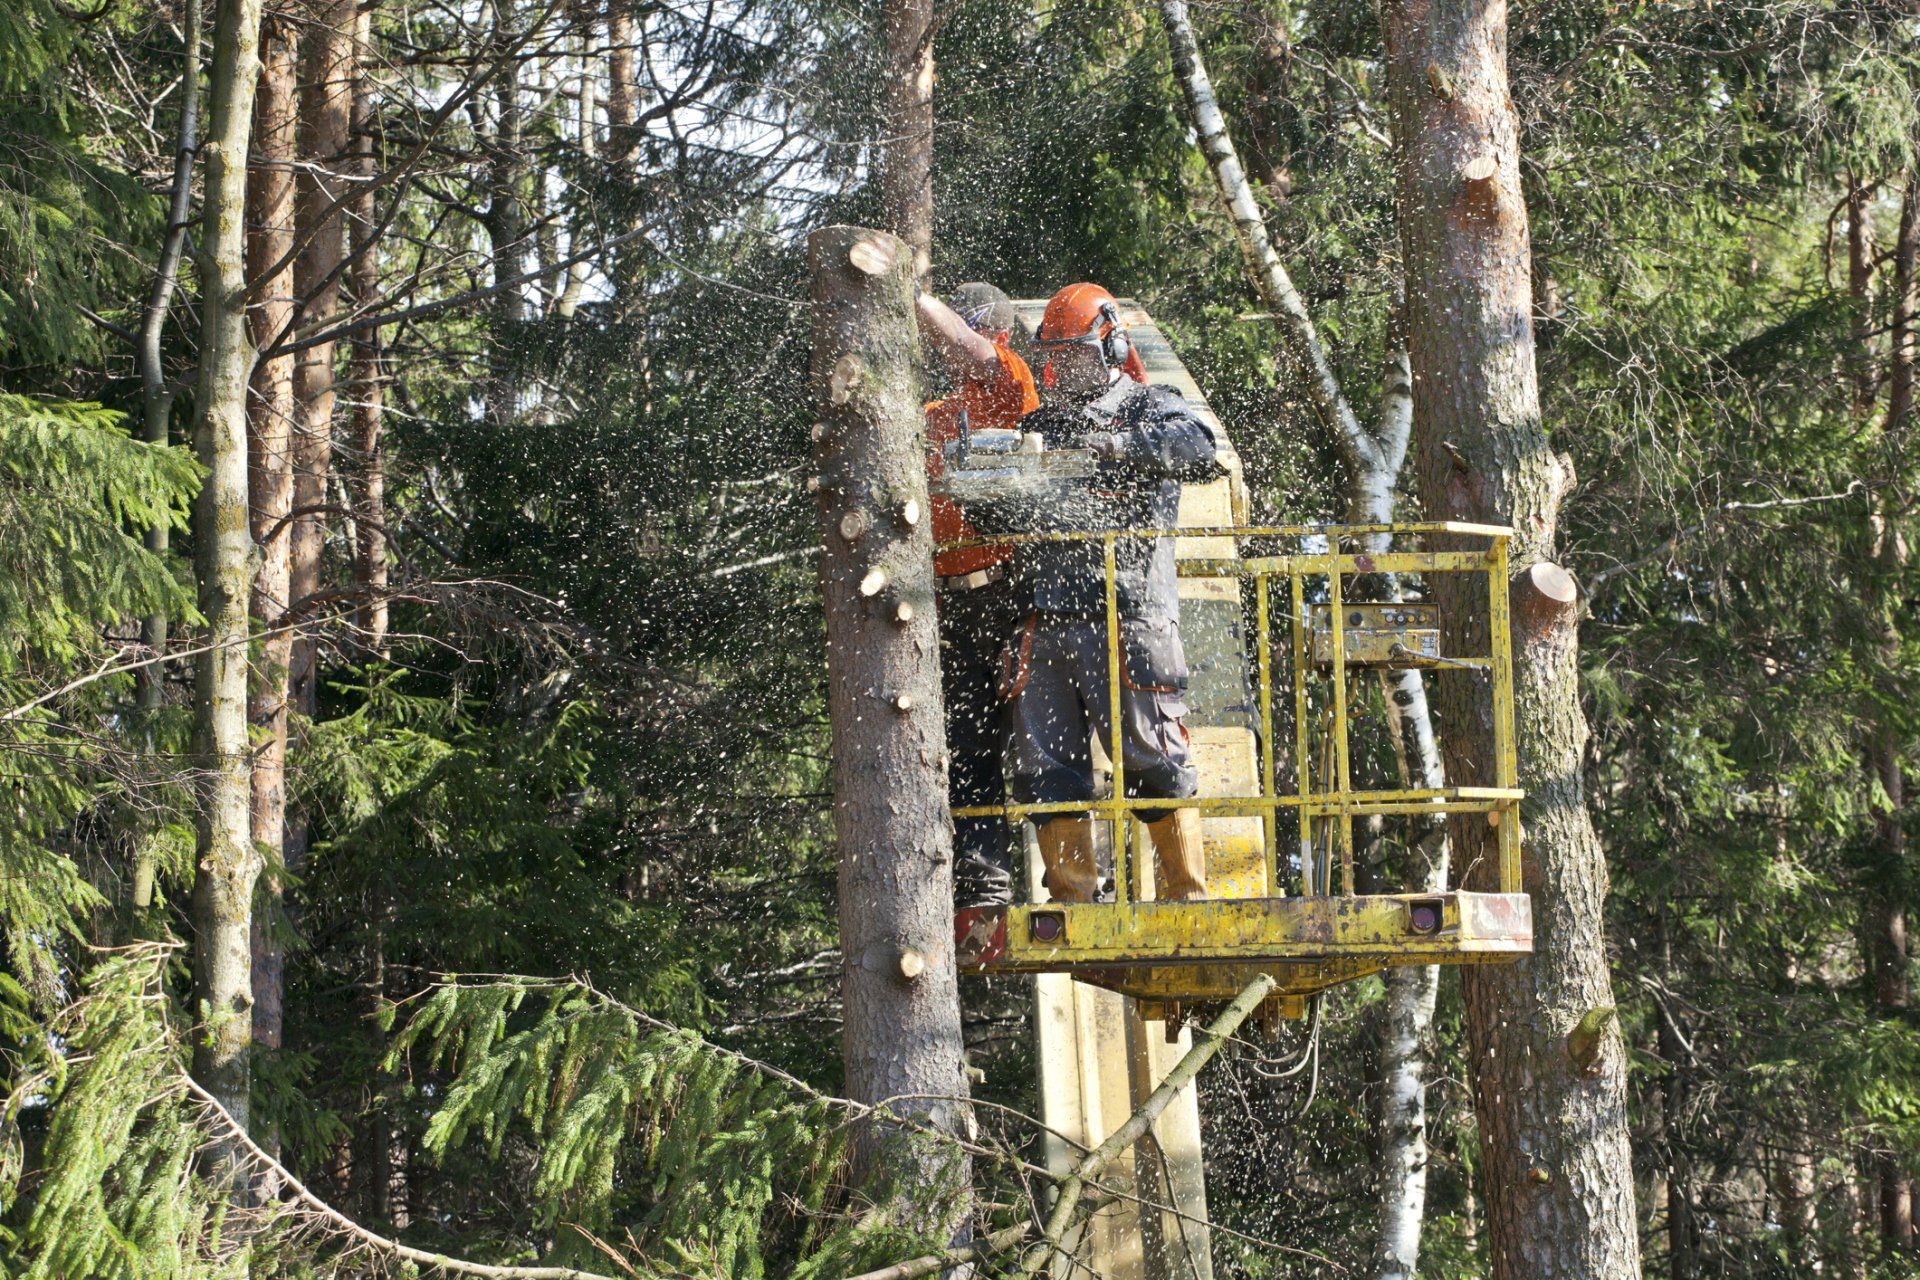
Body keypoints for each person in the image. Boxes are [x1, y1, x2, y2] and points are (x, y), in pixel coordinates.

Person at [997, 283, 1220, 903]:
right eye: (1056, 354)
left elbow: (1201, 452)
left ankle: (1185, 893)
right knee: (1046, 768)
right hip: (1045, 618)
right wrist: (987, 483)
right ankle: (1073, 898)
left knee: (1154, 755)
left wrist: (1121, 448)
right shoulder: (1038, 426)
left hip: (1129, 613)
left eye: (1074, 353)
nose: (1063, 366)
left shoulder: (1152, 407)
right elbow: (1003, 513)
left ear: (1111, 345)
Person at [918, 283, 1039, 908]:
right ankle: (982, 881)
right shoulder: (934, 415)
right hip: (946, 596)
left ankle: (1074, 881)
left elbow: (971, 351)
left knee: (1040, 740)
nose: (945, 352)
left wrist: (910, 295)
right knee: (967, 746)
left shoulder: (1009, 383)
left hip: (1007, 592)